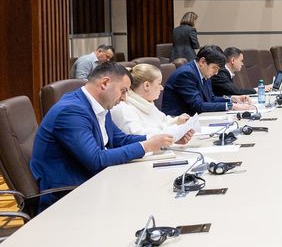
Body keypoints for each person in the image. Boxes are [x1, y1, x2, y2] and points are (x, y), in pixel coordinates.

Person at [29, 62, 175, 211]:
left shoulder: (100, 106)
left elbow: (120, 139)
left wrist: (160, 139)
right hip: (68, 197)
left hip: (94, 183)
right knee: (146, 201)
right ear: (105, 83)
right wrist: (145, 146)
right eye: (123, 91)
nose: (124, 98)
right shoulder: (71, 111)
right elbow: (96, 160)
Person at [162, 46, 249, 116]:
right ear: (202, 62)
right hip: (178, 121)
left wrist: (232, 99)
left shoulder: (203, 72)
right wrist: (231, 106)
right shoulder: (186, 74)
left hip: (194, 118)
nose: (216, 73)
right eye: (214, 68)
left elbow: (210, 98)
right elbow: (198, 106)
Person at [111, 63, 194, 137]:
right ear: (146, 85)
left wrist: (177, 120)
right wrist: (175, 126)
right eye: (159, 83)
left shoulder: (146, 102)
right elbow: (139, 136)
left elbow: (163, 120)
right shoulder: (123, 107)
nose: (161, 88)